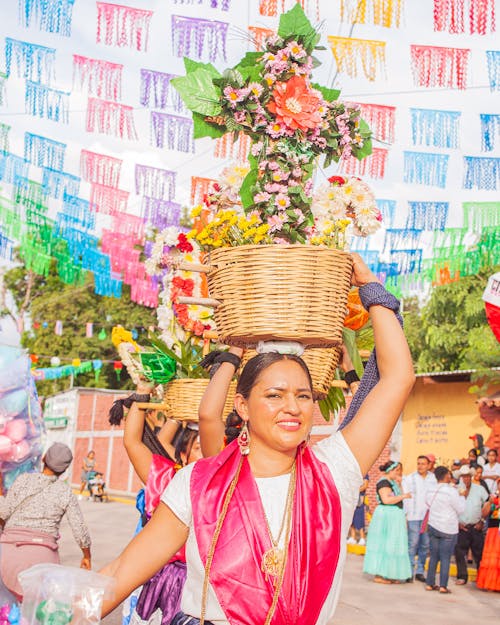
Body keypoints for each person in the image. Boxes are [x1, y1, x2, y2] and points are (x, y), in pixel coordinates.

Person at [100, 254, 416, 624]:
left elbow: (398, 378)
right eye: (274, 395)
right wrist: (59, 609)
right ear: (243, 407)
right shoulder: (199, 483)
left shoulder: (336, 469)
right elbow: (122, 571)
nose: (292, 407)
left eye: (302, 395)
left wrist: (371, 289)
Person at [119, 386, 203, 625]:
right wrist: (141, 393)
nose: (208, 452)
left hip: (208, 585)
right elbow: (132, 442)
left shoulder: (228, 484)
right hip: (166, 581)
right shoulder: (167, 479)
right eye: (198, 448)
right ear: (183, 455)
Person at [0, 442, 91, 600]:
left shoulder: (23, 480)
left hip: (7, 555)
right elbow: (80, 529)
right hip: (43, 561)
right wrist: (86, 556)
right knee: (35, 615)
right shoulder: (65, 491)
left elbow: (4, 512)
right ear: (64, 470)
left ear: (43, 459)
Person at [363, 461, 412, 583]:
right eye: (397, 470)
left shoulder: (393, 483)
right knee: (385, 543)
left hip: (395, 516)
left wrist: (400, 486)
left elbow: (397, 494)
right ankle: (379, 575)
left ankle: (390, 573)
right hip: (387, 516)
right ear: (390, 470)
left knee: (393, 544)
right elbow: (386, 499)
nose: (399, 473)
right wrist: (403, 496)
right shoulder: (383, 482)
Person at [424, 466, 465, 594]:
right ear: (446, 475)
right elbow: (461, 509)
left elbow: (427, 503)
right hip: (448, 527)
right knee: (445, 557)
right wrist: (462, 496)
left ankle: (430, 583)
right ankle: (443, 586)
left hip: (433, 524)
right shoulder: (451, 491)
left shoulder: (431, 489)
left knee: (434, 556)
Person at [402, 455, 437, 581]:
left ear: (429, 465)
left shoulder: (433, 479)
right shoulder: (410, 478)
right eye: (418, 463)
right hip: (413, 516)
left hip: (428, 517)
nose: (420, 466)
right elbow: (406, 498)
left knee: (425, 545)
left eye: (423, 464)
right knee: (413, 544)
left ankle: (420, 571)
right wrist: (405, 515)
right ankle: (409, 572)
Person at [454, 464, 489, 585]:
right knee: (459, 552)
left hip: (476, 526)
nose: (466, 479)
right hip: (461, 526)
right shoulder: (456, 489)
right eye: (463, 476)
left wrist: (482, 521)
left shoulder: (480, 489)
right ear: (461, 477)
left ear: (471, 476)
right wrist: (456, 522)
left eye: (468, 476)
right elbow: (452, 507)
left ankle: (482, 578)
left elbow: (488, 504)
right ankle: (462, 576)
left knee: (479, 554)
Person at [476, 476, 500, 591]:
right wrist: (490, 503)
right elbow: (484, 514)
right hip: (493, 532)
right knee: (492, 560)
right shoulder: (493, 498)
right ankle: (492, 584)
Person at [347, 475, 369, 546]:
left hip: (359, 499)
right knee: (351, 519)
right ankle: (353, 537)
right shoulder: (352, 472)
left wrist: (354, 490)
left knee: (359, 519)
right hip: (351, 498)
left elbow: (365, 486)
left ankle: (362, 538)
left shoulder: (365, 475)